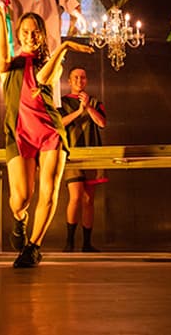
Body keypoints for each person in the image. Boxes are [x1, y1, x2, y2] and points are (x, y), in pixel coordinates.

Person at [0, 2, 94, 268]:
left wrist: (64, 47)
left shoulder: (48, 62)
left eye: (35, 32)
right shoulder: (10, 66)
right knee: (21, 198)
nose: (30, 36)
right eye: (25, 32)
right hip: (20, 132)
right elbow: (0, 53)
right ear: (19, 34)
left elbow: (45, 78)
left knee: (49, 191)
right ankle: (20, 219)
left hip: (49, 132)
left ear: (42, 35)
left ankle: (33, 247)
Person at [59, 67, 107, 253]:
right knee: (76, 196)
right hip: (72, 154)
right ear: (69, 81)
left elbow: (102, 123)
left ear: (86, 81)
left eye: (83, 77)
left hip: (92, 154)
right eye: (76, 77)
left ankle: (86, 243)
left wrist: (87, 108)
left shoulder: (94, 101)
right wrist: (79, 111)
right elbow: (59, 124)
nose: (80, 80)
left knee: (88, 199)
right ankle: (69, 241)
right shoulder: (61, 103)